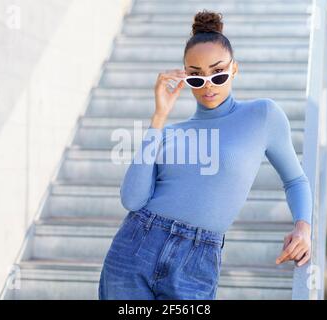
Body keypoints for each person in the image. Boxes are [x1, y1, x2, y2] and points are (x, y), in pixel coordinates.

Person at [98, 9, 312, 300]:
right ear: (186, 78)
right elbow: (132, 199)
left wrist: (303, 228)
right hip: (137, 246)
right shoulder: (171, 133)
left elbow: (295, 180)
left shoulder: (263, 115)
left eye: (218, 72)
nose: (208, 84)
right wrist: (159, 117)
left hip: (197, 259)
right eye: (196, 78)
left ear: (234, 68)